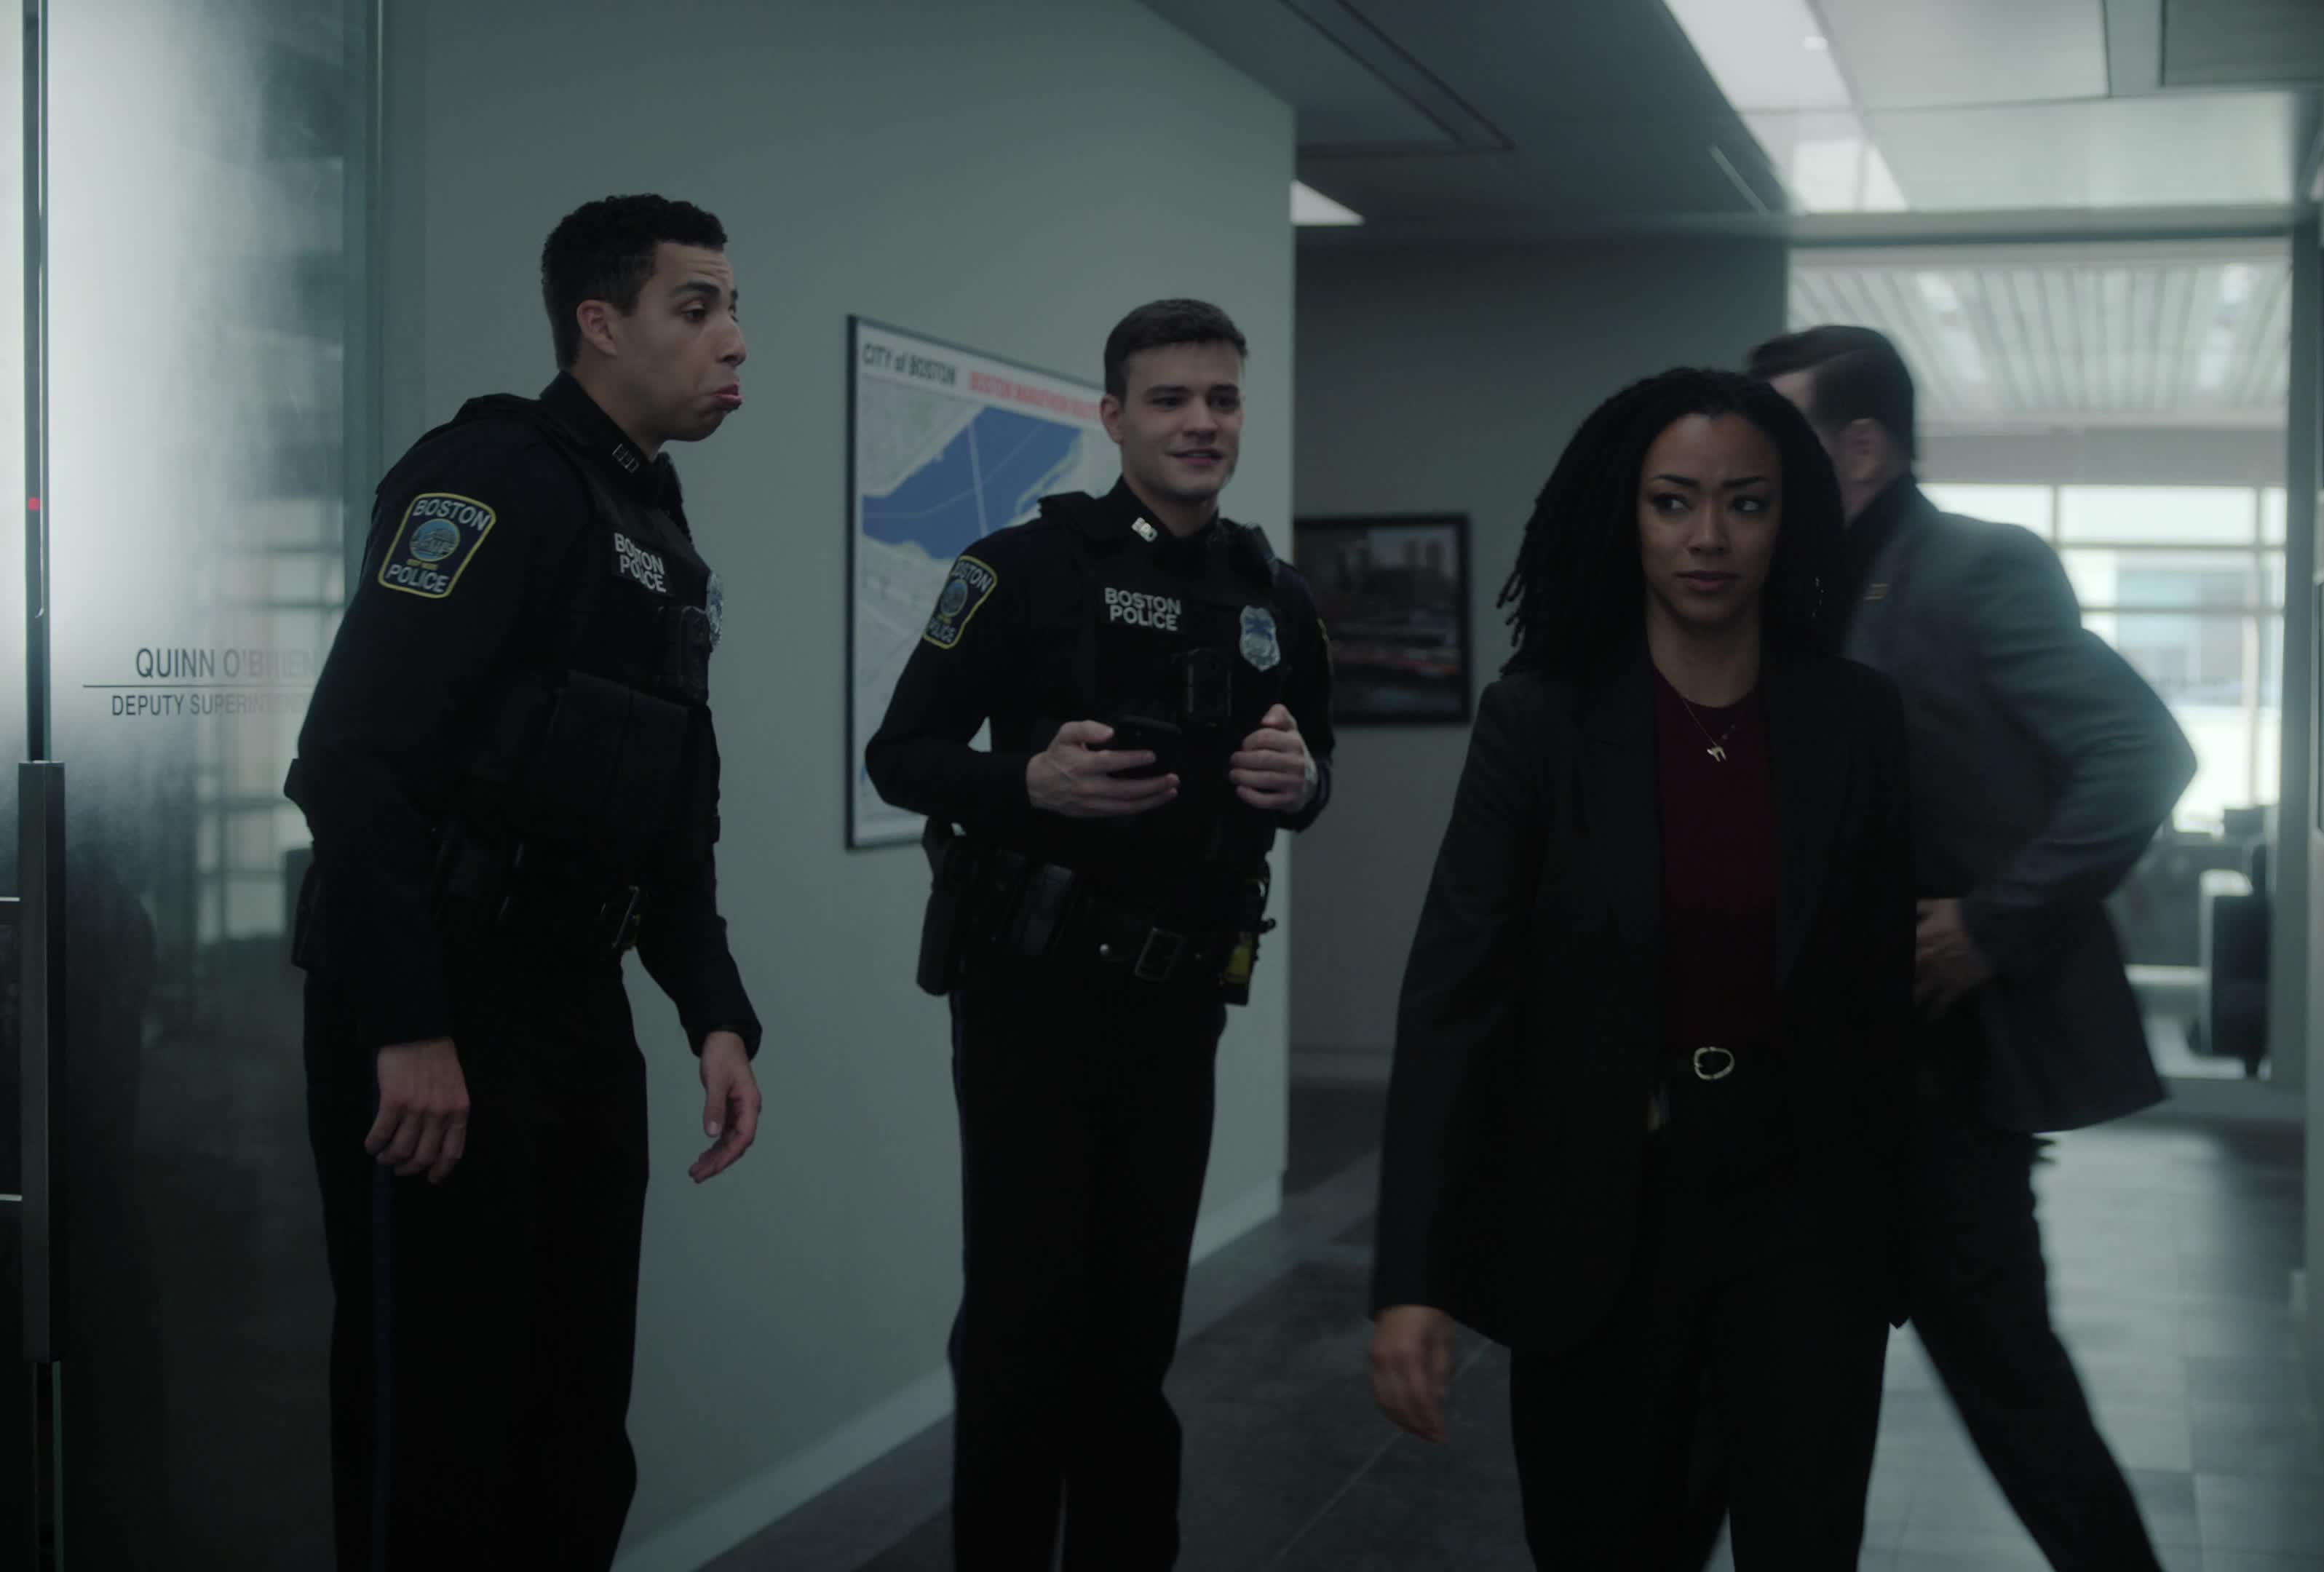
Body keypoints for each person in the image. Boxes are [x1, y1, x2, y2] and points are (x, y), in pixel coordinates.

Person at [287, 194, 766, 1570]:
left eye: (734, 308)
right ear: (598, 324)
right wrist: (407, 1024)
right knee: (441, 1422)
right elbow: (352, 760)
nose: (735, 339)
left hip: (573, 1001)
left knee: (575, 1421)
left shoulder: (655, 524)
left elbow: (671, 812)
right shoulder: (491, 474)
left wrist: (713, 1011)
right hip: (441, 998)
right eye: (697, 307)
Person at [1368, 368, 1917, 1569]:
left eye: (1745, 503)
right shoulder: (1540, 722)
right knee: (1601, 1540)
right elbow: (1455, 1003)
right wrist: (1414, 1275)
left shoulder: (1858, 720)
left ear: (1790, 522)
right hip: (1603, 1212)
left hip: (1805, 1213)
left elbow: (1882, 1003)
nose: (1709, 536)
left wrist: (1903, 1224)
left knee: (1807, 1542)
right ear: (1625, 516)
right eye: (1674, 502)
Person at [865, 298, 1334, 1567]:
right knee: (1023, 1335)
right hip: (1034, 998)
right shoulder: (1017, 569)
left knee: (1134, 1339)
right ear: (1114, 416)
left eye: (1222, 399)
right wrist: (1028, 783)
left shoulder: (1277, 597)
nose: (1201, 423)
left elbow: (1313, 773)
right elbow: (899, 755)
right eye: (1171, 399)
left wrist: (1302, 785)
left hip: (1180, 1008)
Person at [1753, 325, 2197, 1570]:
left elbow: (2143, 753)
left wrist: (1992, 922)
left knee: (2007, 1380)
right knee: (1768, 1389)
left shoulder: (1973, 568)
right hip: (1799, 1061)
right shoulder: (1791, 592)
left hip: (1937, 1075)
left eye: (1780, 434)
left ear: (1862, 448)